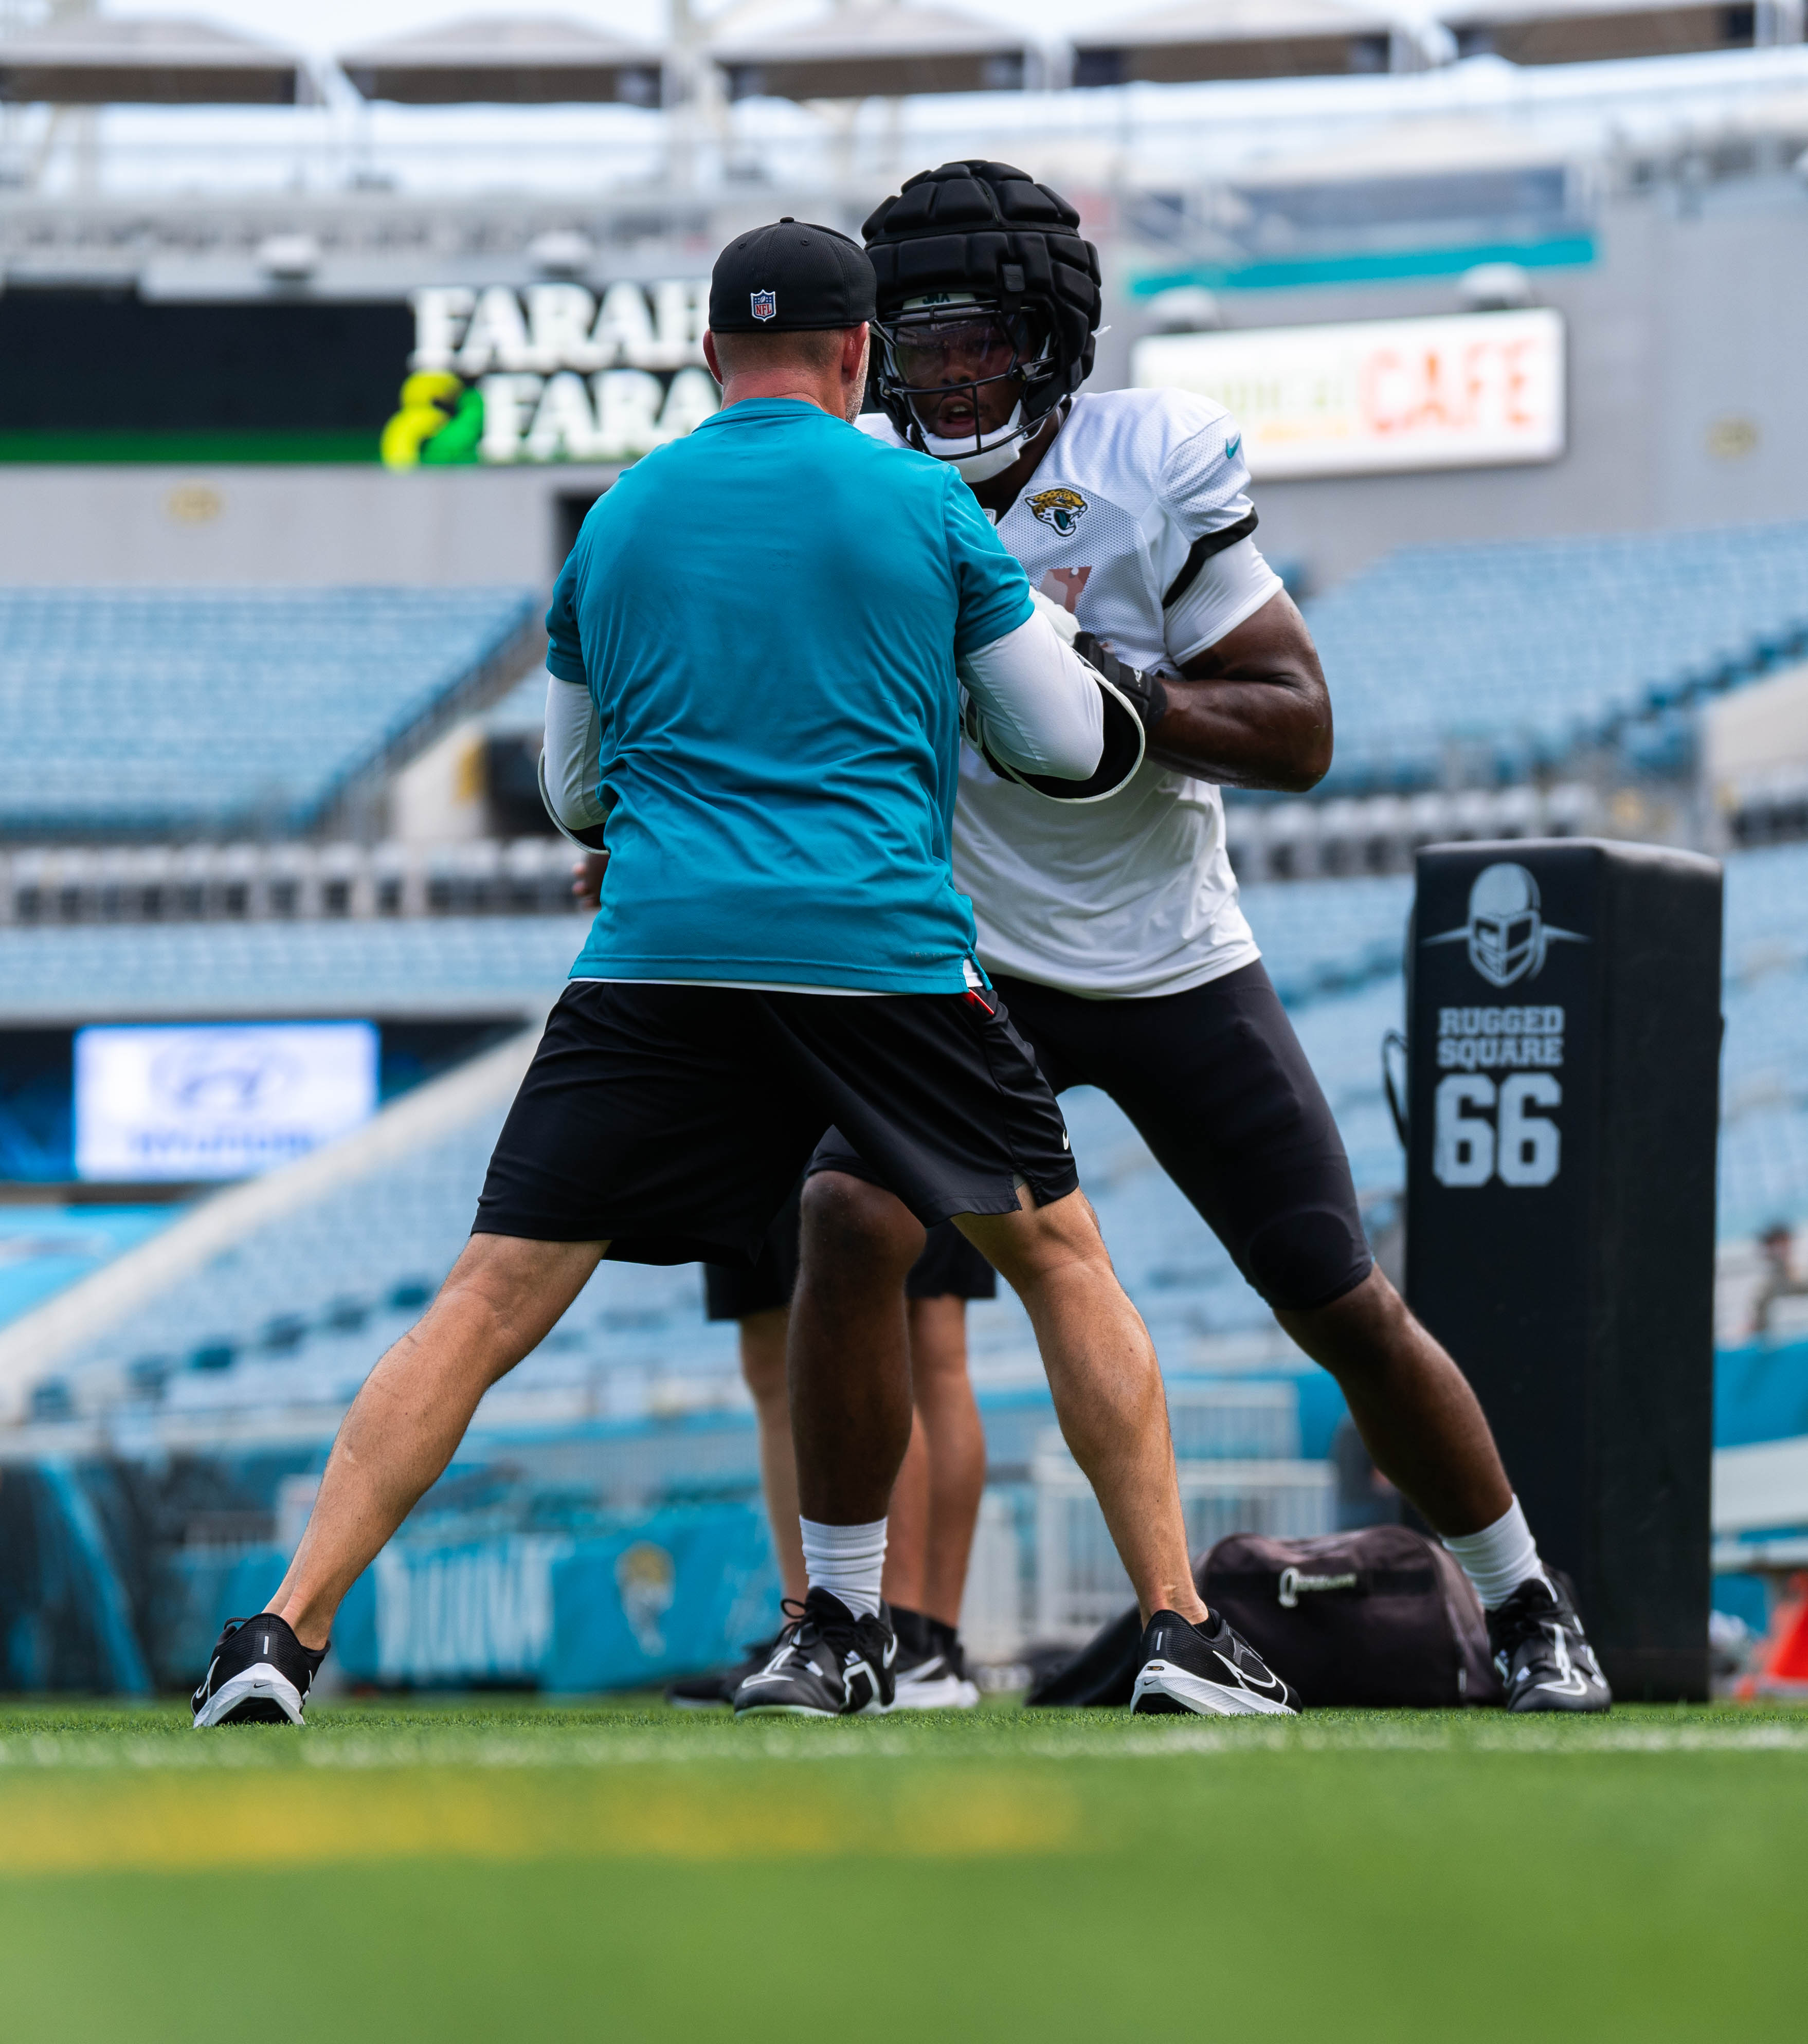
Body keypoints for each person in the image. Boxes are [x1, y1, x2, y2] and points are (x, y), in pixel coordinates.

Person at [192, 215, 1298, 1728]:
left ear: (710, 356)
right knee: (1058, 1262)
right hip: (879, 958)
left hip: (658, 958)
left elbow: (576, 792)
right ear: (858, 359)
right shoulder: (919, 502)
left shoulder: (622, 520)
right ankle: (1175, 1624)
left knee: (484, 1301)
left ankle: (276, 1632)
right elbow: (1058, 740)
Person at [789, 159, 1611, 1714]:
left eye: (980, 339)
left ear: (1049, 338)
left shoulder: (1143, 456)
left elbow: (1299, 728)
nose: (950, 373)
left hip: (1166, 951)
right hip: (970, 959)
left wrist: (1127, 698)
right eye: (921, 343)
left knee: (1337, 1298)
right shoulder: (859, 477)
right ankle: (843, 1619)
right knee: (844, 1219)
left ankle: (1522, 1601)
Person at [665, 1188, 994, 1709]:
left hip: (888, 1110)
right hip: (749, 1113)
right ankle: (814, 1629)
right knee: (773, 1346)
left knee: (911, 1328)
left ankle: (904, 1637)